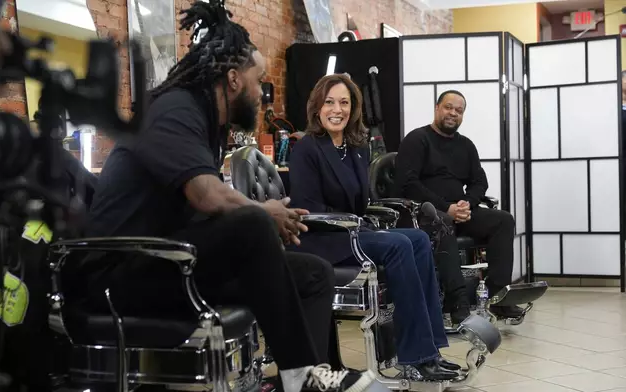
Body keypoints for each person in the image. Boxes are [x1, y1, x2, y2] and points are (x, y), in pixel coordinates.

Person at [70, 2, 381, 392]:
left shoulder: (209, 122)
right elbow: (206, 196)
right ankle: (300, 374)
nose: (263, 93)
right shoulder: (173, 109)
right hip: (126, 271)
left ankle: (308, 377)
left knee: (313, 273)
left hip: (172, 259)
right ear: (233, 79)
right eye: (258, 81)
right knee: (251, 221)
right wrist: (263, 213)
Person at [288, 74, 460, 382]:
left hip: (354, 232)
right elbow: (308, 208)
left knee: (418, 239)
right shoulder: (306, 148)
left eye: (344, 102)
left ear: (353, 108)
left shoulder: (356, 147)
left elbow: (360, 202)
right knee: (399, 245)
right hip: (323, 238)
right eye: (329, 102)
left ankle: (429, 350)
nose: (336, 109)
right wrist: (356, 224)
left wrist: (362, 223)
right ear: (317, 107)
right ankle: (416, 356)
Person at [393, 90, 522, 321]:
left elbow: (479, 181)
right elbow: (408, 184)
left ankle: (497, 297)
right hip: (425, 214)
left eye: (459, 110)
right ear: (437, 108)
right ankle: (457, 303)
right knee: (443, 222)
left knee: (503, 220)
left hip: (460, 212)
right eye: (448, 107)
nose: (453, 113)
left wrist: (467, 204)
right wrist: (446, 207)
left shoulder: (466, 146)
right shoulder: (416, 140)